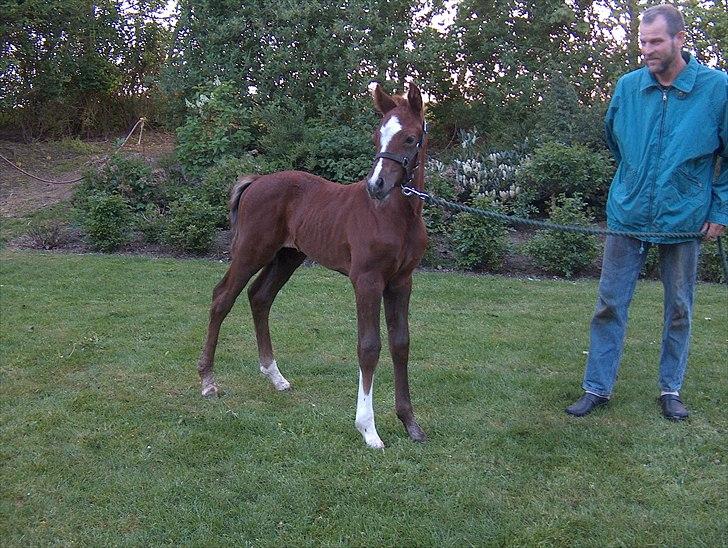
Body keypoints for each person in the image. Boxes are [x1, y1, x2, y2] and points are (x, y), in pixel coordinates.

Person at [565, 4, 727, 421]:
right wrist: (636, 177)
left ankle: (670, 389)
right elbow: (614, 138)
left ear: (679, 39)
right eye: (642, 41)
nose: (647, 50)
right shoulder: (628, 87)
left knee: (679, 308)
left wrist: (719, 208)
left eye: (655, 41)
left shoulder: (716, 89)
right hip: (628, 212)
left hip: (684, 216)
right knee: (609, 304)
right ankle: (596, 388)